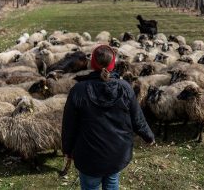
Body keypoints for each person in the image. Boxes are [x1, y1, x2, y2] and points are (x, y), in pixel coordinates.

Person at [61, 45, 155, 190]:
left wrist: (67, 150)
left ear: (92, 63)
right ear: (113, 64)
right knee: (112, 183)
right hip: (116, 152)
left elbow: (69, 125)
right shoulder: (125, 87)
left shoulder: (79, 90)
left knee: (90, 185)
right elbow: (138, 118)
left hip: (89, 155)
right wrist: (149, 137)